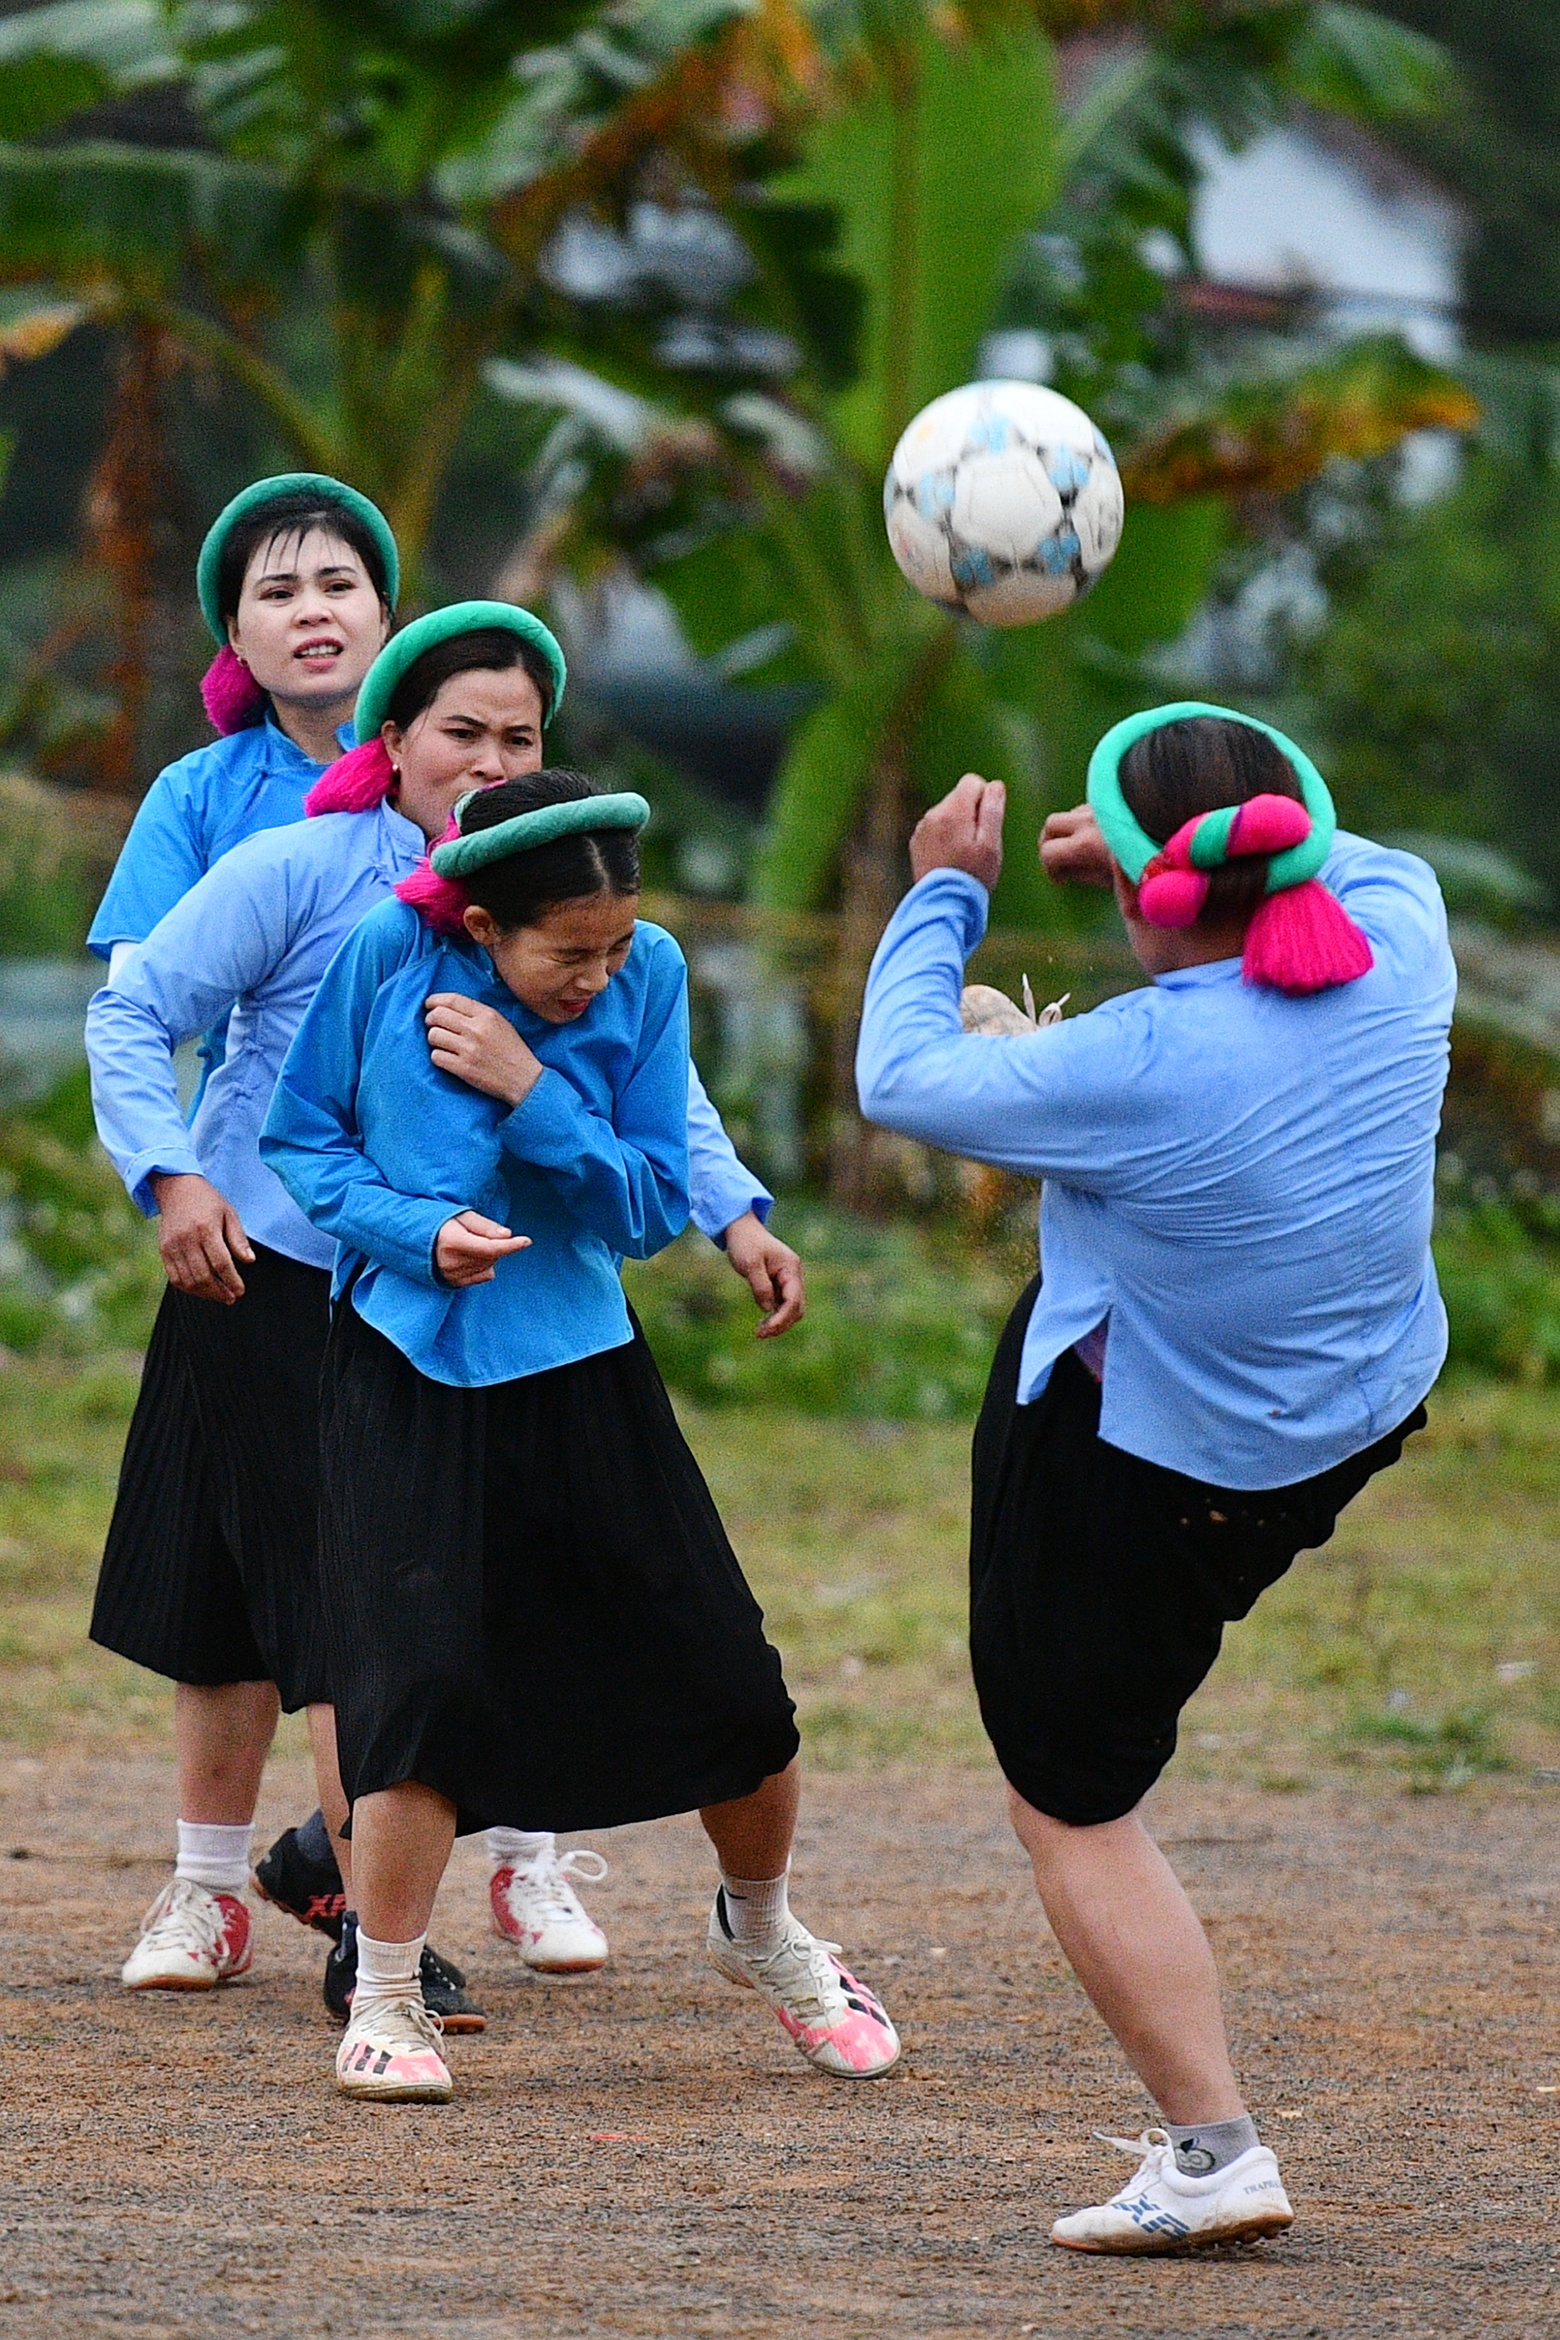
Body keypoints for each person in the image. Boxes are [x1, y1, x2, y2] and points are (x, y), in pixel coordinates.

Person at [88, 598, 796, 2023]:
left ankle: (407, 1875)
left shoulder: (586, 911)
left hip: (505, 1305)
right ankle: (243, 1889)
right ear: (392, 737)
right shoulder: (303, 870)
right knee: (287, 1614)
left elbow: (653, 1099)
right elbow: (150, 1014)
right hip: (277, 1273)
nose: (485, 757)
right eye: (459, 732)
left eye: (517, 736)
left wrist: (732, 1209)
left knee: (448, 1613)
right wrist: (170, 1176)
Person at [856, 703, 1453, 2253]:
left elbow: (902, 1075)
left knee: (1069, 1798)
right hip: (1359, 1415)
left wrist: (944, 891)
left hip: (1163, 1464)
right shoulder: (1407, 940)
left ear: (1141, 893)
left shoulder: (1127, 1063)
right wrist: (1142, 849)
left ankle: (1214, 2150)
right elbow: (1333, 839)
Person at [260, 758, 901, 2103]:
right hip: (404, 1365)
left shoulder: (648, 973)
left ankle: (765, 1932)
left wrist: (529, 1086)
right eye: (569, 952)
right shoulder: (389, 949)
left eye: (614, 946)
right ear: (483, 925)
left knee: (733, 1679)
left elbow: (651, 1204)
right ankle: (384, 1997)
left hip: (580, 1360)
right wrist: (413, 1234)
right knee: (417, 1687)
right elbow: (302, 1141)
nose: (596, 976)